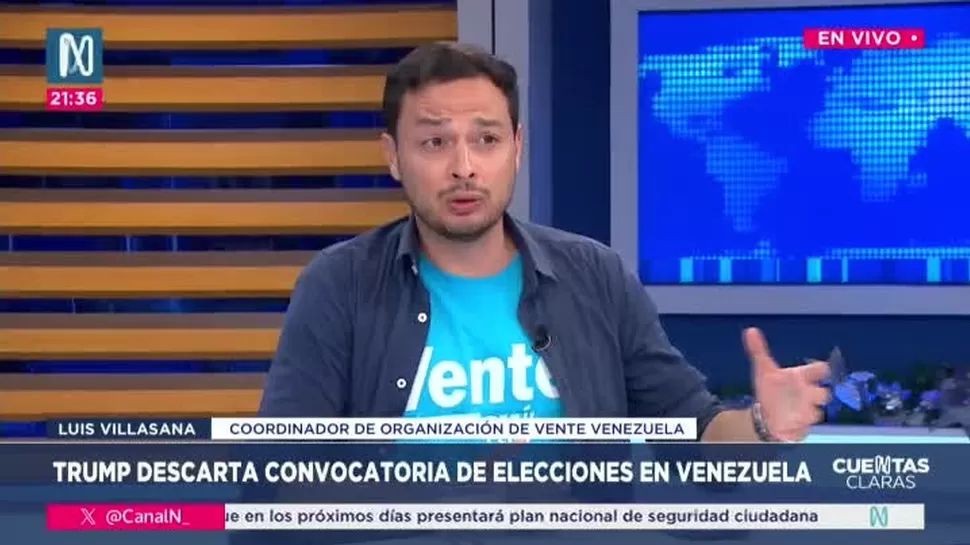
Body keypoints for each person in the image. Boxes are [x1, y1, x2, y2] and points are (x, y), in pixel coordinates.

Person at [259, 42, 831, 443]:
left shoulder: (595, 276)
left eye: (486, 140)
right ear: (393, 157)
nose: (464, 167)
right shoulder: (340, 286)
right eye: (435, 143)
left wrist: (762, 426)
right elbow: (279, 483)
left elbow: (695, 437)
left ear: (517, 147)